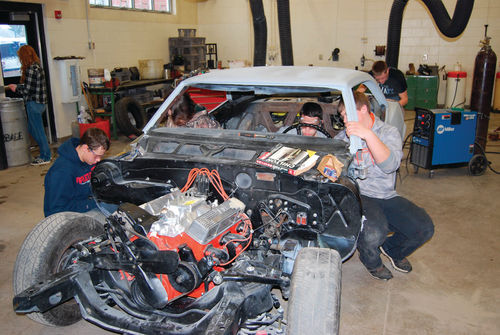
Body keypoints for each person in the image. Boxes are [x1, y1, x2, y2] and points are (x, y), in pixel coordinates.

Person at [336, 91, 434, 280]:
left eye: (348, 114)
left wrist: (367, 134)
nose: (345, 120)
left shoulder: (388, 132)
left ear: (363, 109)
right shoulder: (343, 138)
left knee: (424, 228)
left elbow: (389, 166)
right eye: (342, 116)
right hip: (360, 196)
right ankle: (371, 261)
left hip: (386, 195)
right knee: (373, 233)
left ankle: (393, 250)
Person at [44, 128, 110, 217]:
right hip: (66, 216)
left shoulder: (88, 160)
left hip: (86, 203)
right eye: (97, 156)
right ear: (85, 148)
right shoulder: (62, 172)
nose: (98, 160)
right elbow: (56, 210)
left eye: (101, 156)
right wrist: (94, 202)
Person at [7, 45, 51, 165]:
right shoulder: (37, 67)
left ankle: (46, 156)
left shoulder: (31, 69)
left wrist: (16, 88)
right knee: (33, 129)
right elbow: (31, 87)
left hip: (34, 104)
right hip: (40, 103)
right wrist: (18, 86)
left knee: (38, 130)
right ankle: (44, 152)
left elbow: (28, 90)